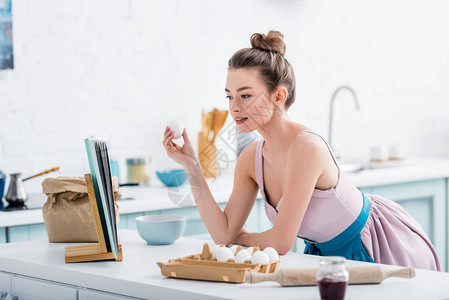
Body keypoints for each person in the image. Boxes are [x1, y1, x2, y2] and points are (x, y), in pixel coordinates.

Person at [162, 30, 440, 271]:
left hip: (373, 248)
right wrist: (191, 166)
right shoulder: (250, 159)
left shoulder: (306, 147)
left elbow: (280, 242)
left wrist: (241, 239)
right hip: (323, 259)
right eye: (229, 95)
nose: (234, 107)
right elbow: (223, 233)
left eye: (245, 95)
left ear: (278, 96)